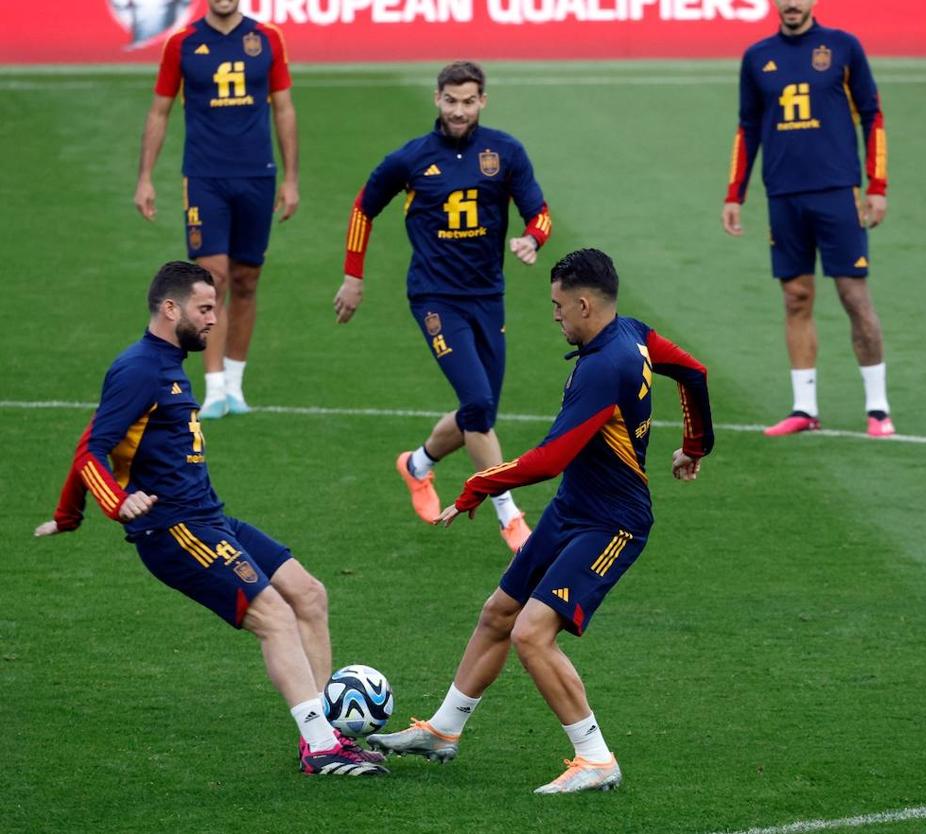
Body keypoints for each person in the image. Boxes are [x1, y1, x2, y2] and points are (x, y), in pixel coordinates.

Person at [366, 249, 714, 793]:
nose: (554, 315)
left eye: (557, 305)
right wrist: (695, 445)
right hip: (574, 509)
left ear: (582, 303)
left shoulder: (604, 367)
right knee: (499, 613)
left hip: (613, 524)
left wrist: (479, 485)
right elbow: (694, 371)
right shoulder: (634, 334)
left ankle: (596, 759)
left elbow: (550, 458)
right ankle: (444, 731)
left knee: (532, 633)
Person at [34, 262, 385, 777]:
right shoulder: (138, 368)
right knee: (275, 616)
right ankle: (321, 747)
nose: (214, 319)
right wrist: (112, 503)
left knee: (309, 595)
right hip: (174, 529)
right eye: (204, 308)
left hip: (210, 519)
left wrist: (68, 515)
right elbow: (90, 450)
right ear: (170, 309)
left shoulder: (167, 363)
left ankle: (325, 735)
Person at [333, 60, 552, 554]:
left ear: (482, 102)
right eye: (450, 101)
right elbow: (363, 208)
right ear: (437, 99)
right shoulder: (410, 159)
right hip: (434, 298)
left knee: (480, 410)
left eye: (468, 101)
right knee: (477, 406)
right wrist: (353, 276)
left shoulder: (505, 152)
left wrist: (533, 239)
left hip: (487, 296)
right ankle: (509, 515)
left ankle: (417, 466)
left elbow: (538, 211)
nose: (459, 111)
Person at [722, 0, 893, 438]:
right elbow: (748, 126)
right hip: (783, 195)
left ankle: (877, 408)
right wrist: (734, 194)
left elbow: (872, 116)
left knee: (854, 296)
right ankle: (804, 408)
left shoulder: (842, 47)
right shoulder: (757, 56)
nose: (793, 4)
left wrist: (877, 187)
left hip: (838, 192)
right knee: (796, 298)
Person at [134, 0, 299, 420]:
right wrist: (145, 177)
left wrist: (291, 178)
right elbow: (158, 111)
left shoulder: (267, 38)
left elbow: (283, 108)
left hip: (257, 177)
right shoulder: (182, 44)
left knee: (246, 280)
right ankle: (212, 389)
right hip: (205, 178)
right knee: (214, 279)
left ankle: (235, 385)